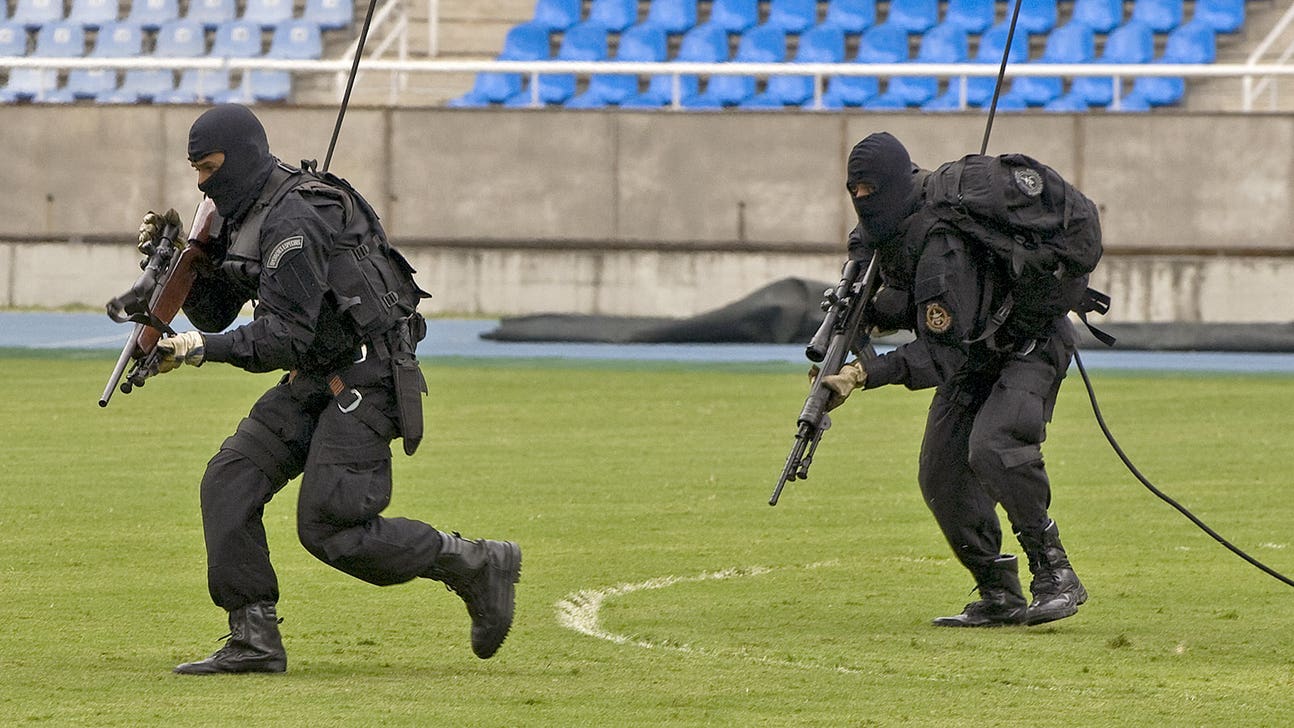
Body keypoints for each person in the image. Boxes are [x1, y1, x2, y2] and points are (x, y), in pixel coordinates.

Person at [144, 104, 521, 674]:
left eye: (210, 167)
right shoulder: (245, 213)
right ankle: (254, 639)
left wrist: (194, 348)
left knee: (330, 527)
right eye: (196, 169)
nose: (202, 183)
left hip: (369, 376)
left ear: (239, 159)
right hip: (318, 373)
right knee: (229, 481)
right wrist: (180, 265)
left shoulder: (294, 218)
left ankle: (474, 562)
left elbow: (283, 338)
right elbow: (219, 313)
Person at [819, 132, 1086, 628]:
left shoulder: (941, 242)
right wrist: (858, 328)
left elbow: (939, 352)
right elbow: (913, 310)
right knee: (941, 474)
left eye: (870, 189)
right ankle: (998, 594)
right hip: (973, 353)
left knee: (995, 445)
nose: (862, 199)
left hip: (1027, 344)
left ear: (893, 184)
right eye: (854, 190)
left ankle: (1055, 573)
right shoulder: (883, 236)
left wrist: (863, 372)